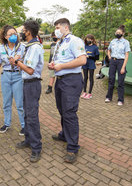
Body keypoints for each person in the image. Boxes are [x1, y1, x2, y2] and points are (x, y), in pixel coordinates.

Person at [48, 18, 86, 163]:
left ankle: (72, 147)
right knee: (62, 110)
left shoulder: (74, 41)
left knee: (69, 112)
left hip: (71, 80)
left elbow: (82, 60)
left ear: (65, 27)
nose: (56, 30)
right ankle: (64, 134)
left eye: (58, 27)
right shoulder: (60, 43)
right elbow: (61, 61)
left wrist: (61, 67)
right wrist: (54, 65)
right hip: (60, 80)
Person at [11, 20, 44, 163]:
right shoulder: (29, 47)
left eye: (23, 31)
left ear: (29, 32)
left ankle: (36, 147)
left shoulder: (35, 47)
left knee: (32, 116)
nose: (22, 33)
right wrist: (19, 62)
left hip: (32, 84)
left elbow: (30, 70)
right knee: (27, 113)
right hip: (26, 84)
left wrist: (17, 62)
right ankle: (29, 140)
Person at [0, 25, 25, 135]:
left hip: (18, 75)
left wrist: (17, 61)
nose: (13, 36)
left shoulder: (22, 47)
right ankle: (7, 123)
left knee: (20, 103)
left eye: (15, 34)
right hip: (5, 76)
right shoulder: (1, 48)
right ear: (5, 36)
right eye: (10, 34)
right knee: (6, 102)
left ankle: (24, 125)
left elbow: (26, 63)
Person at [105, 25, 130, 106]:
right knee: (111, 79)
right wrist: (109, 57)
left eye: (119, 32)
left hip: (121, 62)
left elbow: (126, 55)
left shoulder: (125, 42)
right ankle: (109, 97)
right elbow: (108, 49)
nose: (117, 33)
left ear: (123, 33)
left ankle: (120, 100)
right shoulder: (113, 41)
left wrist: (123, 67)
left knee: (120, 82)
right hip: (113, 61)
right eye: (116, 32)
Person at [81, 34, 100, 99]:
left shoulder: (95, 47)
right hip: (85, 64)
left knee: (91, 78)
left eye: (90, 39)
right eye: (87, 39)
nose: (88, 40)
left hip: (91, 64)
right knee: (85, 78)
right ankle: (84, 92)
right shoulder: (84, 46)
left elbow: (97, 57)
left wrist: (90, 56)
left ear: (92, 40)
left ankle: (89, 93)